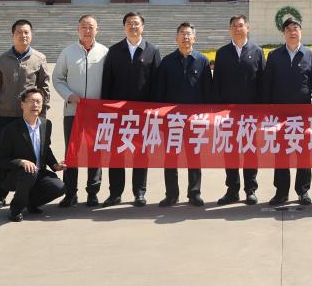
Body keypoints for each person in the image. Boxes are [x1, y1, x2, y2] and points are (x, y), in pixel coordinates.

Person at [0, 19, 50, 210]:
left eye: (26, 32)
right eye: (19, 32)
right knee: (3, 156)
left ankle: (30, 195)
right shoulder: (2, 60)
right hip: (6, 116)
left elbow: (44, 88)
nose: (23, 36)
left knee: (32, 155)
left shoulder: (39, 59)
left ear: (32, 35)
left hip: (29, 117)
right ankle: (0, 195)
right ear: (12, 35)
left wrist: (42, 113)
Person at [100, 11, 162, 207]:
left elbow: (157, 84)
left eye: (136, 23)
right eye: (129, 23)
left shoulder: (152, 51)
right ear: (124, 27)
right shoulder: (114, 51)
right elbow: (107, 82)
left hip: (143, 114)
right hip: (118, 114)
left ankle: (139, 193)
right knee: (116, 154)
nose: (133, 27)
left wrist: (155, 112)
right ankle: (115, 193)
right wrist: (106, 109)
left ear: (143, 26)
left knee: (141, 154)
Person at [262, 18, 312, 206]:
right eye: (288, 29)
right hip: (279, 114)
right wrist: (268, 113)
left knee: (303, 153)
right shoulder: (274, 56)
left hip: (303, 114)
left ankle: (303, 191)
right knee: (281, 154)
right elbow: (268, 85)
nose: (292, 32)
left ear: (301, 32)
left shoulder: (311, 55)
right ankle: (281, 192)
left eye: (295, 28)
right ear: (283, 33)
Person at [52, 14, 109, 208]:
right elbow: (58, 78)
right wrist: (69, 96)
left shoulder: (105, 53)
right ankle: (70, 193)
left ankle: (93, 192)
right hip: (73, 112)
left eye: (91, 27)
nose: (87, 30)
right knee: (72, 152)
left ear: (97, 30)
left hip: (97, 114)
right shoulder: (68, 52)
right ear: (78, 29)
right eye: (84, 26)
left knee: (95, 152)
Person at [155, 22, 214, 207]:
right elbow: (160, 92)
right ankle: (171, 194)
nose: (185, 37)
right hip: (171, 120)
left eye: (189, 34)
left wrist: (207, 117)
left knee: (194, 156)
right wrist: (160, 117)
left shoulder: (202, 61)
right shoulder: (167, 61)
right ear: (176, 38)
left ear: (194, 38)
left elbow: (208, 91)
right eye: (182, 33)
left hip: (194, 120)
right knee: (170, 157)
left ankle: (194, 193)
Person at [212, 14, 266, 205]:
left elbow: (263, 82)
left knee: (250, 150)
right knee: (230, 151)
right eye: (234, 26)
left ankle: (250, 189)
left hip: (251, 113)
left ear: (247, 28)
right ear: (230, 29)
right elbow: (216, 82)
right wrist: (217, 110)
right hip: (228, 114)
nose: (237, 29)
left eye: (241, 25)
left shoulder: (257, 51)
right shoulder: (222, 53)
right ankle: (232, 190)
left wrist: (261, 110)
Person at [0, 87, 66, 222]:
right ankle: (15, 209)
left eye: (38, 101)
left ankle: (31, 203)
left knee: (59, 187)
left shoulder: (46, 124)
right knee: (29, 171)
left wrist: (55, 165)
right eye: (31, 101)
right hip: (14, 174)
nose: (35, 105)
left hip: (37, 172)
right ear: (22, 104)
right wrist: (21, 161)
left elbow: (46, 149)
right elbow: (0, 160)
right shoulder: (10, 129)